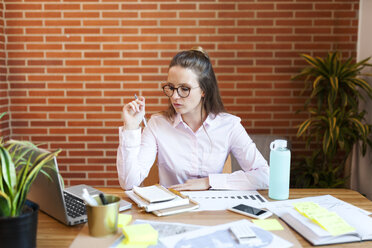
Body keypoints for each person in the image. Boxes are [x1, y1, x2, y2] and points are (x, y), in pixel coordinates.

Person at [117, 47, 269, 191]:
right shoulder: (157, 124)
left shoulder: (229, 125)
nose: (175, 96)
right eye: (171, 87)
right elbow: (129, 182)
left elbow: (266, 176)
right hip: (169, 210)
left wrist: (208, 182)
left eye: (184, 89)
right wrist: (130, 128)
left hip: (211, 212)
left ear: (204, 90)